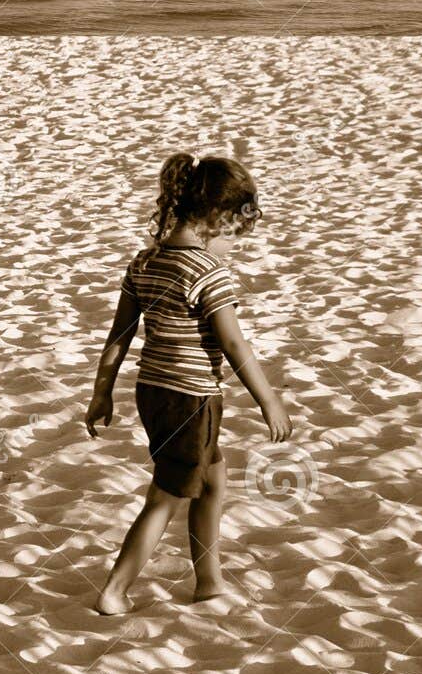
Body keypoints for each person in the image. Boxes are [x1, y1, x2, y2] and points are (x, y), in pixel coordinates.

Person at [84, 152, 292, 615]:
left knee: (213, 480)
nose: (233, 246)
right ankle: (115, 589)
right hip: (191, 398)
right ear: (216, 217)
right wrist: (269, 401)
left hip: (153, 392)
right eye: (234, 234)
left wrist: (102, 392)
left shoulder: (145, 261)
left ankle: (209, 581)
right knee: (167, 495)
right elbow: (234, 344)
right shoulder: (208, 272)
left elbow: (119, 334)